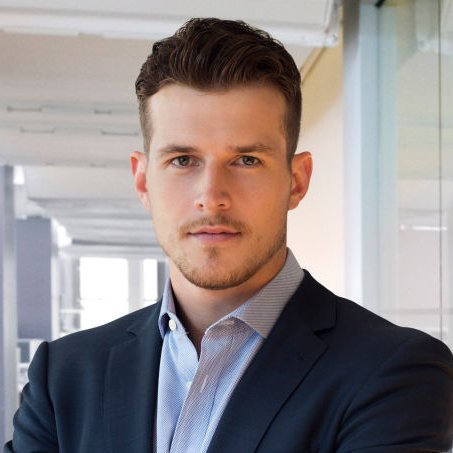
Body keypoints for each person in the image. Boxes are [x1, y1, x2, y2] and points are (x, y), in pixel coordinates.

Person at [5, 17, 453, 453]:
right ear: (143, 180)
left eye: (247, 161)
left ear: (297, 181)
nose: (212, 197)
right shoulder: (63, 378)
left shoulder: (393, 371)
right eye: (183, 160)